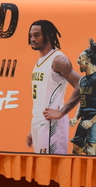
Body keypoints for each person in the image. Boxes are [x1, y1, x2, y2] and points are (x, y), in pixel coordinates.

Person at [43, 39, 96, 156]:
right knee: (76, 147)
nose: (77, 61)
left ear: (88, 61)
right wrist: (76, 117)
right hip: (85, 117)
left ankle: (92, 173)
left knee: (90, 148)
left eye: (80, 59)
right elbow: (83, 101)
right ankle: (76, 173)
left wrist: (92, 121)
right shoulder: (83, 80)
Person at [26, 20, 81, 154]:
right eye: (31, 35)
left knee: (51, 170)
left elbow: (83, 84)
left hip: (52, 124)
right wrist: (34, 129)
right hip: (40, 122)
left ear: (49, 35)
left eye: (37, 35)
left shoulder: (58, 60)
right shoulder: (40, 60)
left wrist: (62, 112)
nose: (33, 39)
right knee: (41, 170)